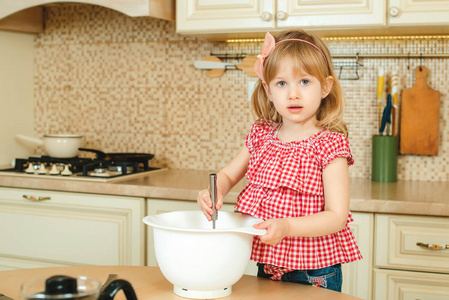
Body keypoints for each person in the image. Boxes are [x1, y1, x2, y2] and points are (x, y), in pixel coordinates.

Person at [197, 30, 362, 292]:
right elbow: (228, 176)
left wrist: (286, 226)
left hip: (314, 269)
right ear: (268, 90)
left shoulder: (330, 145)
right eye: (282, 83)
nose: (293, 94)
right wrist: (214, 191)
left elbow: (336, 217)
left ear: (326, 87)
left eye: (305, 82)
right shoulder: (262, 135)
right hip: (268, 263)